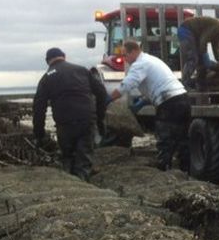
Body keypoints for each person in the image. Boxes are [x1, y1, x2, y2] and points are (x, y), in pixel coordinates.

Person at [110, 39, 191, 172]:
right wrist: (145, 99)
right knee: (182, 138)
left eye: (126, 55)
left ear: (135, 51)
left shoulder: (140, 64)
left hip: (169, 103)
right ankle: (186, 170)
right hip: (182, 98)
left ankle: (163, 170)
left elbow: (127, 85)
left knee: (165, 138)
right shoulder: (152, 59)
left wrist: (108, 99)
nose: (125, 59)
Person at [33, 47, 107, 181]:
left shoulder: (46, 78)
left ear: (47, 61)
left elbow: (39, 108)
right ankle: (84, 183)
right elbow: (102, 93)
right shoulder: (82, 70)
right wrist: (100, 119)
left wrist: (39, 134)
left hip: (65, 124)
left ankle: (72, 186)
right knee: (84, 157)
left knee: (68, 157)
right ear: (64, 56)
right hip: (86, 120)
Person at [177, 16, 219, 90]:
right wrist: (205, 56)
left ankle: (200, 85)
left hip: (193, 36)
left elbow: (216, 47)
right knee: (193, 59)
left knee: (201, 61)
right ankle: (184, 84)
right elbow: (203, 40)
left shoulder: (218, 33)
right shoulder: (217, 25)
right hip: (186, 31)